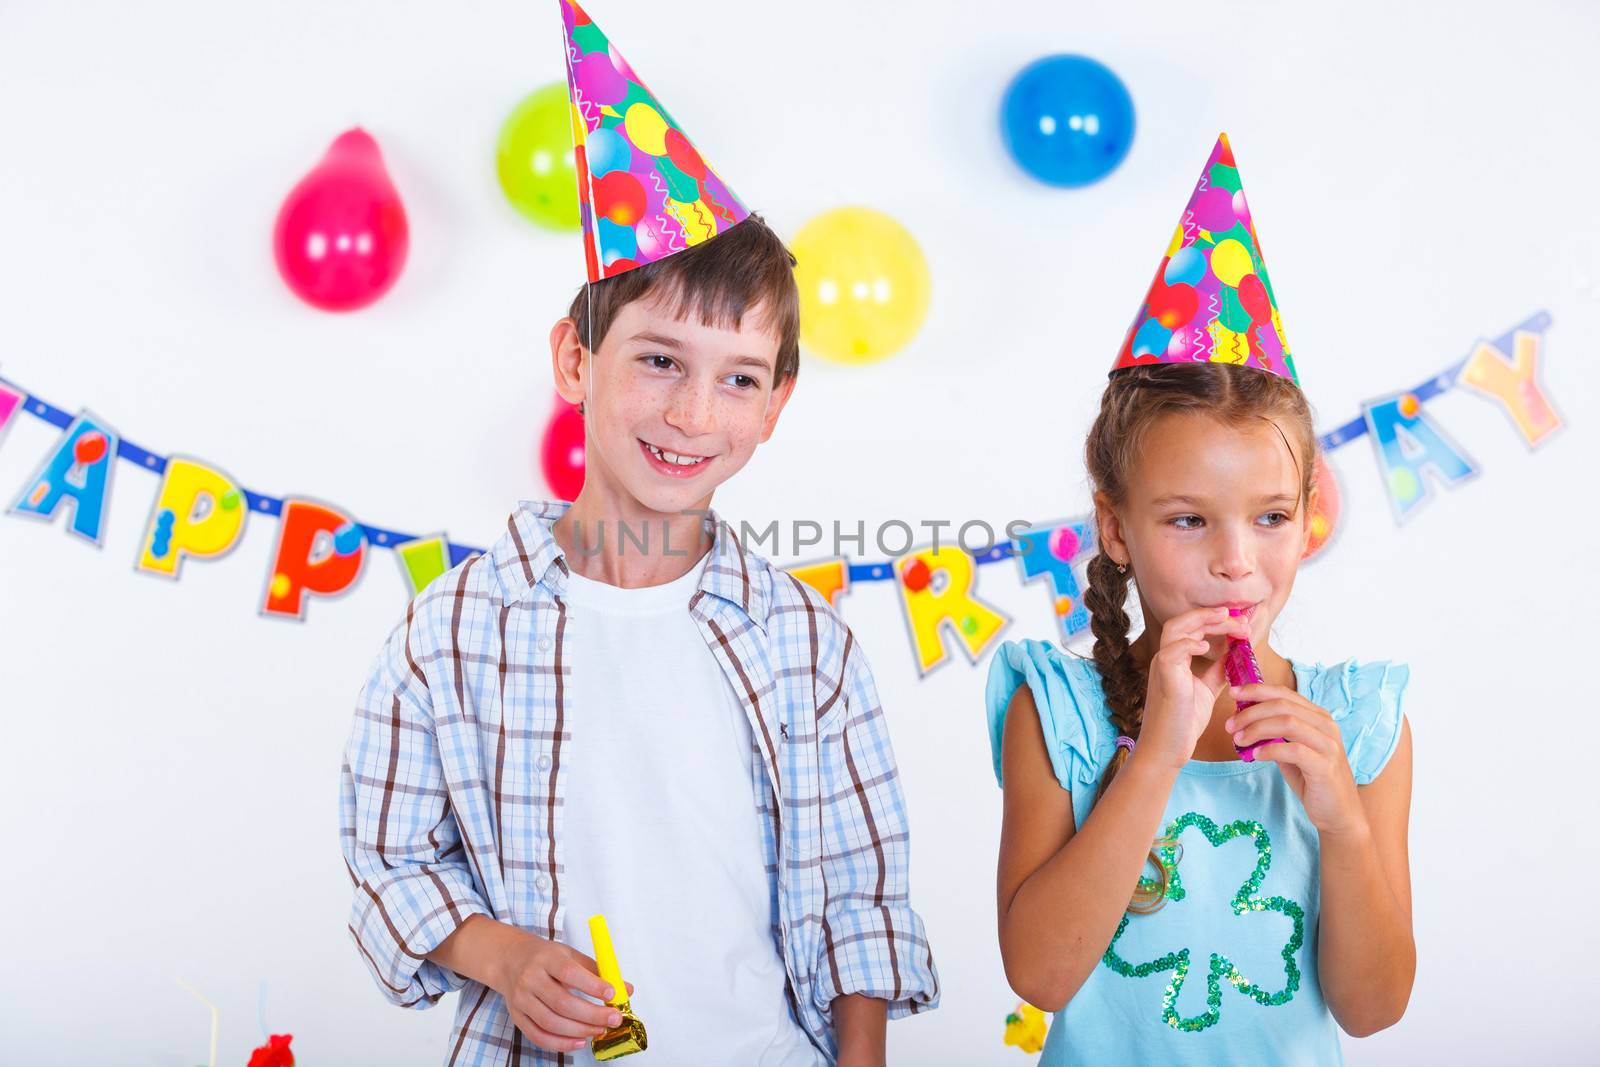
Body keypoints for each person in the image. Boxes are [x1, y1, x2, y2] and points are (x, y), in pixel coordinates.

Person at [339, 3, 937, 1063]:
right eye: (659, 359)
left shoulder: (808, 644)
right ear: (575, 361)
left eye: (737, 378)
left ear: (775, 402)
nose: (694, 415)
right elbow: (390, 860)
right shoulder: (453, 630)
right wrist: (504, 954)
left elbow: (860, 901)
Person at [986, 134, 1414, 1064]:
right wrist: (1156, 759)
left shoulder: (1361, 721)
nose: (1235, 562)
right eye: (1188, 520)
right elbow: (1042, 976)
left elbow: (1374, 1006)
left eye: (1268, 517)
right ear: (1116, 528)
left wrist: (1340, 819)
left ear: (1308, 518)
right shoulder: (1058, 712)